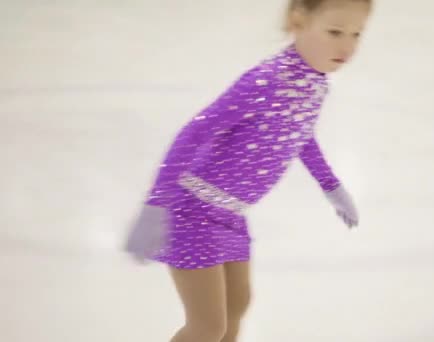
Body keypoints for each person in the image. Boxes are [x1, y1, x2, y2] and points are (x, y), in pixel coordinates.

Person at [125, 1, 373, 341]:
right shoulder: (265, 81)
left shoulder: (316, 84)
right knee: (208, 325)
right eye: (334, 32)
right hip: (193, 210)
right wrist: (156, 204)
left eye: (357, 34)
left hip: (232, 213)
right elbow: (194, 132)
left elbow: (300, 135)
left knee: (237, 307)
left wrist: (331, 187)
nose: (347, 46)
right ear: (298, 22)